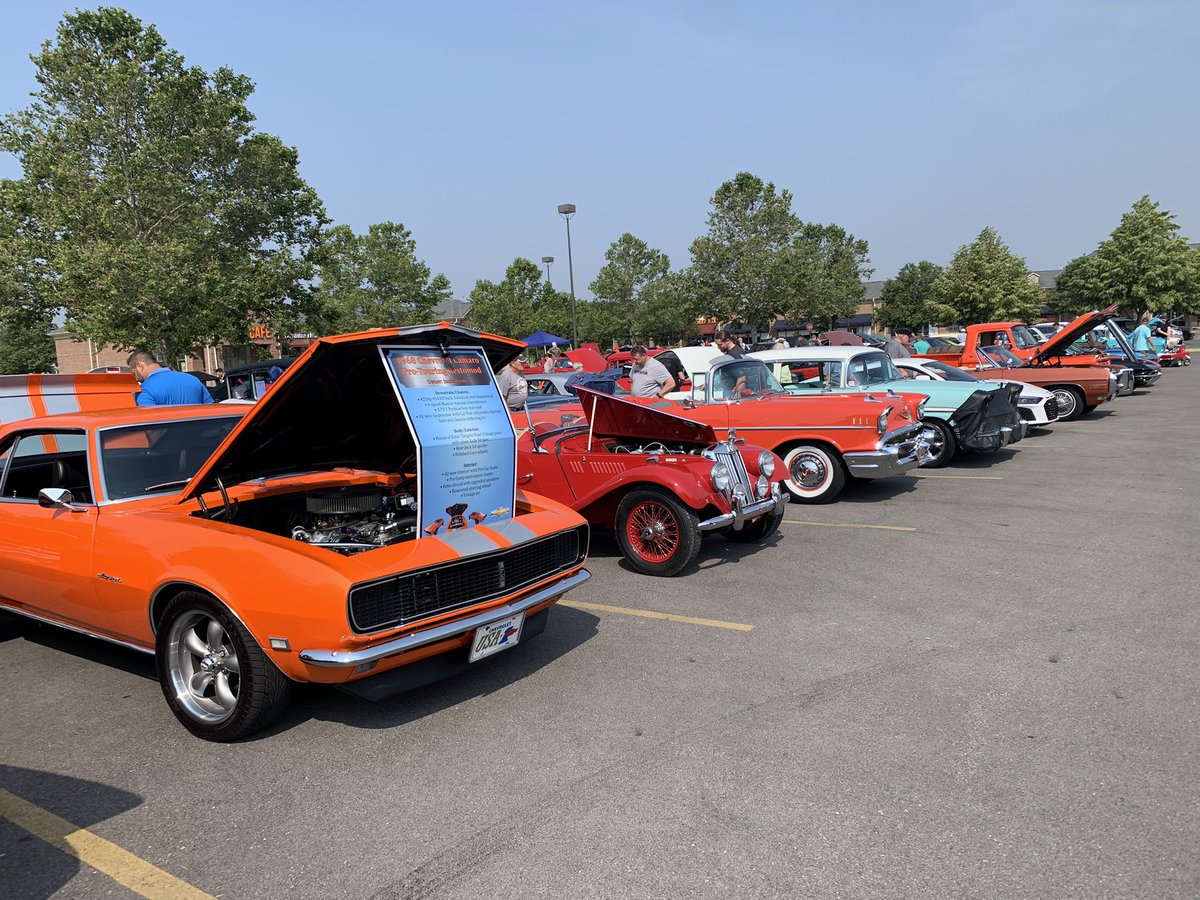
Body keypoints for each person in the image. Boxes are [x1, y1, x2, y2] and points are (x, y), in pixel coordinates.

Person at [127, 351, 214, 406]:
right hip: (200, 434)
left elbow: (147, 424)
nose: (136, 379)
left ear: (140, 366)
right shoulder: (193, 379)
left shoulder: (145, 389)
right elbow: (212, 410)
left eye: (134, 373)